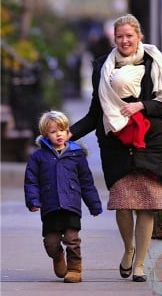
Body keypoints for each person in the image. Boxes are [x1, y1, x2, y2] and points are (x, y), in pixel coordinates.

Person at [69, 14, 162, 282]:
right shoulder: (103, 67)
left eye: (129, 35)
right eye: (120, 36)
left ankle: (140, 264)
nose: (125, 40)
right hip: (116, 142)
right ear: (113, 39)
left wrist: (142, 105)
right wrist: (70, 133)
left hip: (150, 142)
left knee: (147, 205)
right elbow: (96, 112)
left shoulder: (154, 63)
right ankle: (129, 249)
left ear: (139, 36)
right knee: (123, 204)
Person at [24, 110, 102, 283]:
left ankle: (74, 269)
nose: (58, 134)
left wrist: (94, 205)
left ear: (68, 131)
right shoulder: (38, 157)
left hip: (71, 205)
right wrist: (33, 201)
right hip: (50, 206)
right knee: (50, 243)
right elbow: (31, 181)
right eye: (53, 131)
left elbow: (86, 182)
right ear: (45, 135)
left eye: (62, 130)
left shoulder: (77, 156)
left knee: (72, 239)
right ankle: (58, 256)